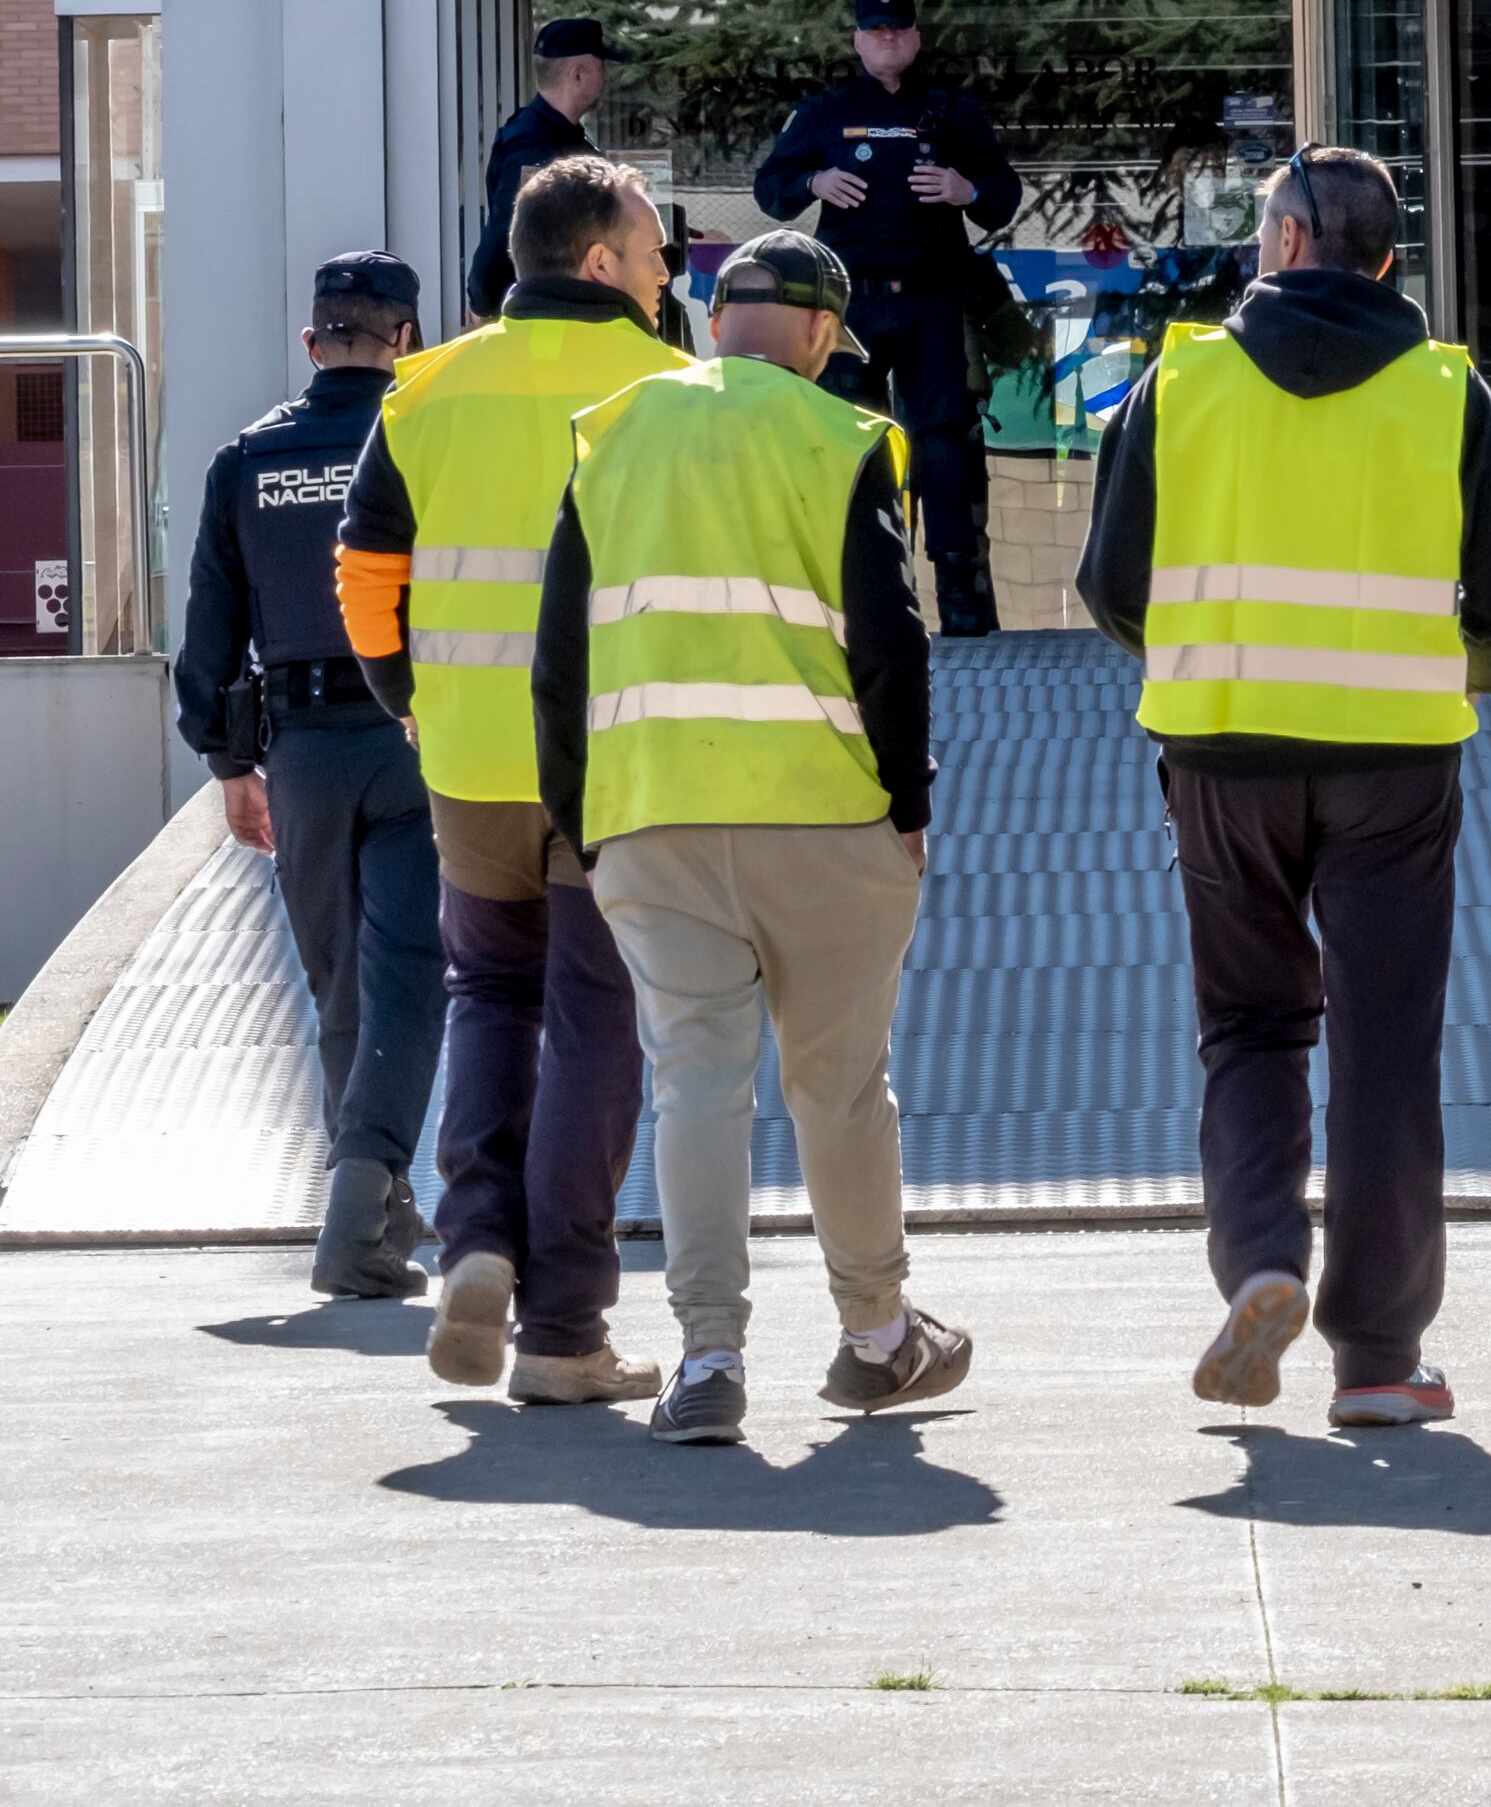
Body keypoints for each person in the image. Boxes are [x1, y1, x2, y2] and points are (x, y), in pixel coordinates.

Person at [1076, 146, 1491, 1427]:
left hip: (1221, 754)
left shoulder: (1178, 386)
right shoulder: (1445, 393)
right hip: (1395, 761)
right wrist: (1439, 666)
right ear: (1387, 261)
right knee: (1387, 1044)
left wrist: (1206, 652)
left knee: (1249, 1028)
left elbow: (1110, 586)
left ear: (1285, 241)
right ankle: (1382, 1358)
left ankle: (1263, 1267)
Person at [532, 230, 971, 1445]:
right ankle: (877, 1337)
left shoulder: (610, 432)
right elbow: (891, 640)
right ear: (824, 335)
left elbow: (559, 655)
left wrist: (581, 819)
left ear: (715, 317)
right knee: (837, 1086)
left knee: (695, 1088)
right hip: (826, 819)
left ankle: (710, 1361)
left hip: (652, 817)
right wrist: (907, 805)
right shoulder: (839, 440)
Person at [339, 157, 688, 1406]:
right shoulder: (672, 392)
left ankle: (476, 1238)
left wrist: (411, 703)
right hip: (620, 765)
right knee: (598, 1017)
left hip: (472, 761)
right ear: (598, 262)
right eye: (654, 251)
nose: (666, 273)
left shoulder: (425, 390)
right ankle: (565, 1331)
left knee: (491, 992)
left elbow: (367, 572)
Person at [173, 252, 448, 1299]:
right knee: (411, 969)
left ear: (312, 341)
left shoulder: (249, 458)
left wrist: (227, 762)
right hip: (416, 736)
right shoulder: (423, 438)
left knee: (338, 981)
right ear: (407, 338)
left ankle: (372, 1201)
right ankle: (367, 1189)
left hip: (299, 750)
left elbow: (211, 628)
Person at [752, 0, 1022, 639]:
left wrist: (964, 188)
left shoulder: (948, 111)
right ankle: (859, 586)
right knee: (852, 446)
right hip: (853, 308)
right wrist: (813, 182)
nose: (887, 40)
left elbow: (1002, 193)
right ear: (857, 40)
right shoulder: (827, 112)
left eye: (897, 30)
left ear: (916, 38)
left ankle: (958, 594)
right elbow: (770, 189)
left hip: (931, 300)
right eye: (875, 31)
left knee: (940, 442)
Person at [468, 17, 629, 323]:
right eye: (601, 68)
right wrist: (482, 305)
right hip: (532, 318)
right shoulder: (534, 146)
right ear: (578, 74)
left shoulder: (563, 137)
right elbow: (510, 227)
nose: (606, 79)